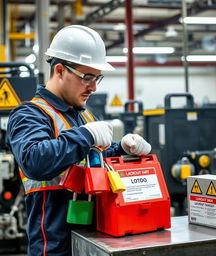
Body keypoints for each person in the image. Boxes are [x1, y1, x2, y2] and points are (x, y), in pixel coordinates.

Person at [6, 25, 151, 256]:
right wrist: (86, 135)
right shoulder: (29, 114)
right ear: (60, 70)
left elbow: (93, 160)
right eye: (87, 77)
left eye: (97, 78)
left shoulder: (85, 115)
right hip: (54, 248)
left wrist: (122, 149)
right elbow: (34, 160)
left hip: (94, 241)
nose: (93, 87)